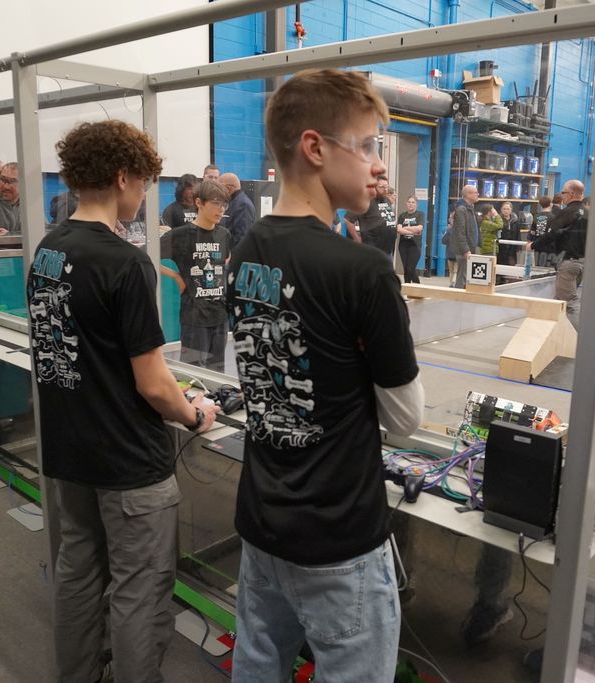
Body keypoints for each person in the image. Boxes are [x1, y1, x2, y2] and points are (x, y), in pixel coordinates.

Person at [227, 68, 423, 683]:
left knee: (259, 664)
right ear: (314, 148)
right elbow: (406, 420)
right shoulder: (363, 272)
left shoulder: (246, 250)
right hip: (339, 538)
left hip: (263, 520)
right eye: (366, 146)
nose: (378, 166)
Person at [27, 119, 219, 683]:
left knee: (79, 573)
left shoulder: (48, 249)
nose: (145, 196)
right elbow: (154, 384)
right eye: (144, 184)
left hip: (71, 452)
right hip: (129, 464)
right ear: (121, 177)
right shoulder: (125, 261)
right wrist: (194, 413)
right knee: (140, 591)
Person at [159, 179, 232, 372]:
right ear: (199, 203)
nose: (221, 209)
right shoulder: (181, 235)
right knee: (193, 373)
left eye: (224, 204)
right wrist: (175, 276)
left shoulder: (224, 234)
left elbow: (224, 263)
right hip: (194, 317)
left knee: (218, 373)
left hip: (219, 314)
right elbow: (147, 255)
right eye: (216, 203)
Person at [532, 179, 587, 325]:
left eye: (563, 192)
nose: (561, 196)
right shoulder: (588, 213)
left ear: (570, 194)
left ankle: (578, 340)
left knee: (569, 304)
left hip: (568, 262)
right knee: (561, 299)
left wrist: (533, 245)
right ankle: (558, 332)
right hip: (583, 262)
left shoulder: (566, 212)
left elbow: (552, 234)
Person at [344, 175, 397, 257]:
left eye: (386, 187)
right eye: (381, 187)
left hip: (387, 250)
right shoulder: (364, 201)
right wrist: (357, 239)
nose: (385, 189)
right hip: (372, 250)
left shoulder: (387, 200)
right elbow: (348, 220)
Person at [450, 184, 480, 288]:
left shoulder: (470, 208)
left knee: (467, 276)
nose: (478, 194)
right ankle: (459, 299)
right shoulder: (461, 210)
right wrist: (465, 250)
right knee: (462, 277)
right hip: (464, 250)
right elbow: (460, 232)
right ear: (468, 195)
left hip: (470, 248)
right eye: (475, 193)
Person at [219, 172, 256, 247]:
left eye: (219, 187)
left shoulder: (243, 205)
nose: (217, 191)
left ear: (228, 188)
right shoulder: (234, 202)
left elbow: (241, 237)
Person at [396, 196, 424, 283]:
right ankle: (408, 290)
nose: (410, 204)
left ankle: (418, 289)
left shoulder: (420, 214)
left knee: (410, 268)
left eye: (413, 202)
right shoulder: (402, 215)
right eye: (409, 202)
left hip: (415, 245)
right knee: (406, 270)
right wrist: (413, 231)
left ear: (416, 204)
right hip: (403, 246)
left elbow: (419, 228)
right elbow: (399, 230)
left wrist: (406, 228)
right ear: (406, 203)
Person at [527, 195, 555, 268]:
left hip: (537, 247)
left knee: (539, 269)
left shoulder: (537, 217)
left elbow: (533, 232)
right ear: (551, 204)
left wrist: (531, 243)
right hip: (550, 248)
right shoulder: (553, 217)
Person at [498, 201, 519, 266]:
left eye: (507, 209)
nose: (505, 211)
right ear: (501, 210)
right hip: (501, 248)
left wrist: (518, 247)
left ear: (511, 210)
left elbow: (518, 234)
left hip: (512, 247)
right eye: (504, 209)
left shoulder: (515, 221)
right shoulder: (498, 220)